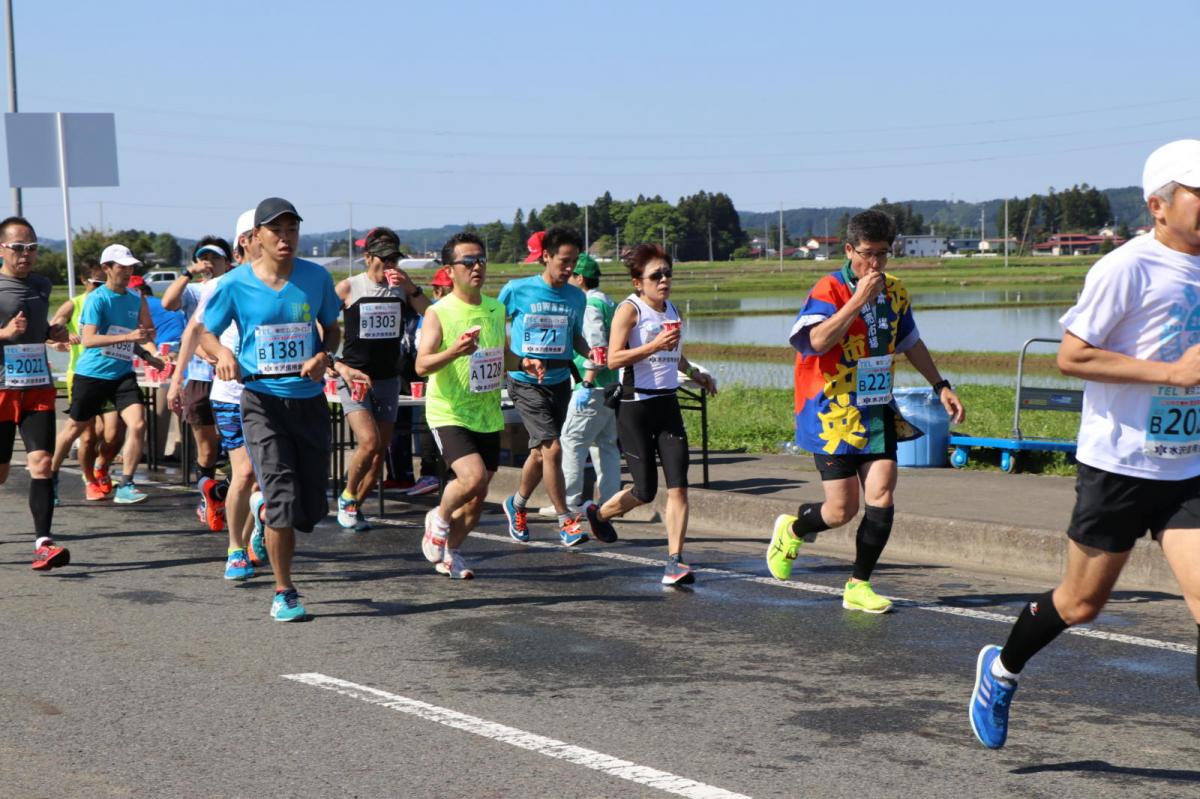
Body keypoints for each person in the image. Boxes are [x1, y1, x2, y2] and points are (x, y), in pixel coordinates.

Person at [969, 139, 1200, 749]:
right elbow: (1073, 356)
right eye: (1199, 192)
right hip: (1120, 466)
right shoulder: (1127, 268)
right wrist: (1173, 373)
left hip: (1190, 468)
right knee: (1080, 604)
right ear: (1158, 205)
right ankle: (1001, 670)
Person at [767, 209, 964, 613]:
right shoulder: (829, 290)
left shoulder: (895, 291)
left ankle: (859, 584)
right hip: (831, 414)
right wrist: (858, 300)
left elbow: (910, 342)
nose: (874, 264)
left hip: (876, 409)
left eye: (883, 254)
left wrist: (940, 385)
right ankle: (793, 529)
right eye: (867, 254)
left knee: (882, 494)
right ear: (849, 250)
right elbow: (815, 342)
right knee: (842, 510)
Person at [201, 197, 367, 621]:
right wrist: (223, 354)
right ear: (256, 236)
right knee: (281, 498)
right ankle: (284, 591)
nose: (285, 238)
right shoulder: (234, 283)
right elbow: (205, 334)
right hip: (261, 400)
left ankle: (269, 513)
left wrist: (323, 356)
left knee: (310, 508)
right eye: (276, 230)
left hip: (309, 401)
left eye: (292, 230)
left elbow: (332, 329)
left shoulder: (315, 277)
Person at [585, 244, 717, 585]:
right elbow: (613, 359)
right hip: (635, 407)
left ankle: (675, 561)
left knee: (679, 487)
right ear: (638, 282)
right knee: (644, 491)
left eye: (668, 274)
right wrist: (653, 346)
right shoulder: (630, 310)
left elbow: (676, 354)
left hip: (668, 405)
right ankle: (599, 513)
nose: (664, 280)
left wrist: (695, 373)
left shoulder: (673, 310)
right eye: (656, 275)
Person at [169, 221, 264, 581]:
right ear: (245, 245)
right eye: (259, 237)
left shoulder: (283, 284)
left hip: (270, 393)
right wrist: (177, 380)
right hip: (229, 394)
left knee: (262, 478)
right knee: (246, 471)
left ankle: (252, 533)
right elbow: (194, 331)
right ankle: (235, 549)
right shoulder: (222, 285)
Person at [416, 232, 507, 578]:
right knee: (472, 477)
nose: (477, 267)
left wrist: (525, 363)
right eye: (468, 261)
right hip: (449, 412)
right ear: (450, 270)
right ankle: (438, 519)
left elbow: (503, 354)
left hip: (487, 413)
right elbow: (421, 365)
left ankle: (451, 553)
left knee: (476, 497)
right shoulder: (438, 312)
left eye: (481, 260)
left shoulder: (496, 308)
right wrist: (454, 351)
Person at [498, 225, 594, 546]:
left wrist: (592, 353)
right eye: (564, 261)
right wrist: (518, 359)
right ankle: (566, 520)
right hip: (525, 382)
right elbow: (493, 329)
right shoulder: (517, 290)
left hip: (559, 381)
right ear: (546, 257)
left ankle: (517, 504)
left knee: (541, 455)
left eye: (574, 262)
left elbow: (575, 337)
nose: (570, 268)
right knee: (552, 448)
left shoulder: (577, 297)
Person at [334, 227, 429, 531]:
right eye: (383, 259)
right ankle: (347, 496)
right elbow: (321, 325)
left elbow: (430, 315)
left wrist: (411, 287)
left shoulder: (401, 288)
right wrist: (334, 364)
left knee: (379, 457)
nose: (389, 265)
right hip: (355, 378)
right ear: (367, 258)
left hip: (388, 379)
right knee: (369, 442)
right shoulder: (349, 287)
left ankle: (354, 507)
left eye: (394, 259)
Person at [50, 244, 157, 505]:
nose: (128, 271)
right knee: (75, 429)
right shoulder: (97, 299)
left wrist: (147, 355)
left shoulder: (135, 298)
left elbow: (131, 336)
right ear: (107, 268)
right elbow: (88, 339)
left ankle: (126, 484)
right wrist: (129, 337)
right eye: (122, 267)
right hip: (92, 374)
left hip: (122, 374)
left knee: (138, 424)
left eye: (131, 267)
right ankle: (49, 478)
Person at [0, 216, 70, 570]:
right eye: (18, 247)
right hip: (2, 389)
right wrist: (4, 334)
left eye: (31, 248)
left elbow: (39, 329)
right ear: (2, 249)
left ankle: (43, 543)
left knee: (41, 463)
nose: (25, 254)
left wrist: (52, 332)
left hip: (37, 385)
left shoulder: (42, 285)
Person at [163, 237, 233, 531]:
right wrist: (188, 273)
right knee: (206, 449)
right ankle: (209, 499)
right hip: (200, 378)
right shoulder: (194, 290)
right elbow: (168, 302)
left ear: (228, 262)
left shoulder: (235, 287)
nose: (209, 263)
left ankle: (225, 494)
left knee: (238, 451)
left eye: (215, 258)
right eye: (204, 258)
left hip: (232, 379)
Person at [49, 259, 121, 501]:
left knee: (114, 433)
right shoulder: (75, 304)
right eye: (96, 283)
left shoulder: (111, 301)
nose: (102, 286)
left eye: (105, 281)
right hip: (83, 375)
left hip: (111, 373)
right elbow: (50, 330)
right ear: (83, 281)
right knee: (87, 436)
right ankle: (85, 480)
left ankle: (101, 466)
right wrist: (61, 337)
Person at [559, 252, 621, 515]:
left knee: (572, 440)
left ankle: (568, 503)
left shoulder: (588, 304)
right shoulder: (609, 302)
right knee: (605, 445)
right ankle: (610, 502)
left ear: (580, 278)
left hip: (591, 385)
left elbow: (597, 347)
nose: (567, 278)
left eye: (571, 274)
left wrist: (586, 382)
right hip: (611, 384)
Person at [402, 265, 453, 497]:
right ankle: (431, 473)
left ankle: (436, 474)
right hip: (431, 380)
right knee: (428, 423)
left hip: (444, 382)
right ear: (438, 291)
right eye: (449, 290)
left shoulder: (438, 313)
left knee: (433, 424)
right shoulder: (432, 314)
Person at [131, 275, 184, 462]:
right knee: (180, 404)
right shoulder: (161, 302)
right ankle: (183, 452)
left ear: (137, 292)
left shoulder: (140, 305)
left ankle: (154, 452)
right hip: (184, 351)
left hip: (167, 353)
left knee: (162, 403)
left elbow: (139, 335)